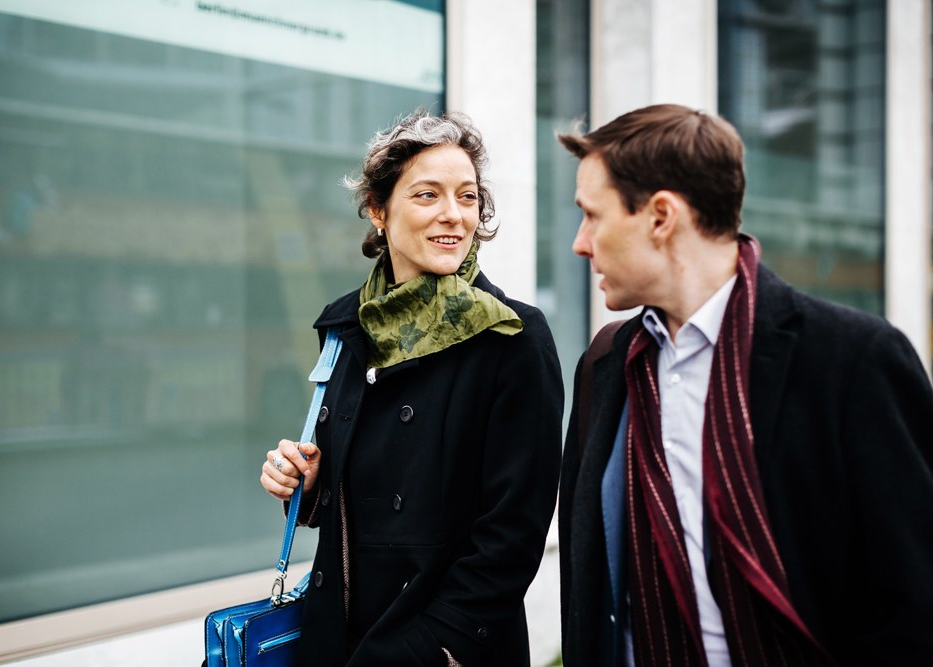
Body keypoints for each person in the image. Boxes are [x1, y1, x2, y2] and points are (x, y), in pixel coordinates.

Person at [556, 104, 933, 667]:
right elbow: (589, 590)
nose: (580, 244)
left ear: (662, 216)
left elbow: (913, 605)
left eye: (593, 215)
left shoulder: (853, 360)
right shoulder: (606, 365)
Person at [260, 109, 563, 666]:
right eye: (428, 195)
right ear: (378, 210)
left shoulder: (512, 337)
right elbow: (353, 505)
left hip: (437, 647)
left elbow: (513, 535)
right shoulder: (346, 328)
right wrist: (305, 483)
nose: (454, 215)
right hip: (339, 635)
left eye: (468, 197)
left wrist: (435, 647)